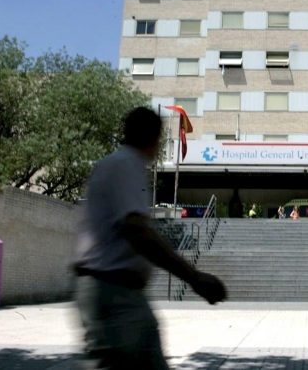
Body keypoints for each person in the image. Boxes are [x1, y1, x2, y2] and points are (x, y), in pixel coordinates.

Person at [72, 107, 227, 369]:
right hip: (113, 293)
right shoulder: (127, 164)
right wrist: (194, 277)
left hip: (119, 293)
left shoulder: (113, 164)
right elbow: (137, 230)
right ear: (155, 140)